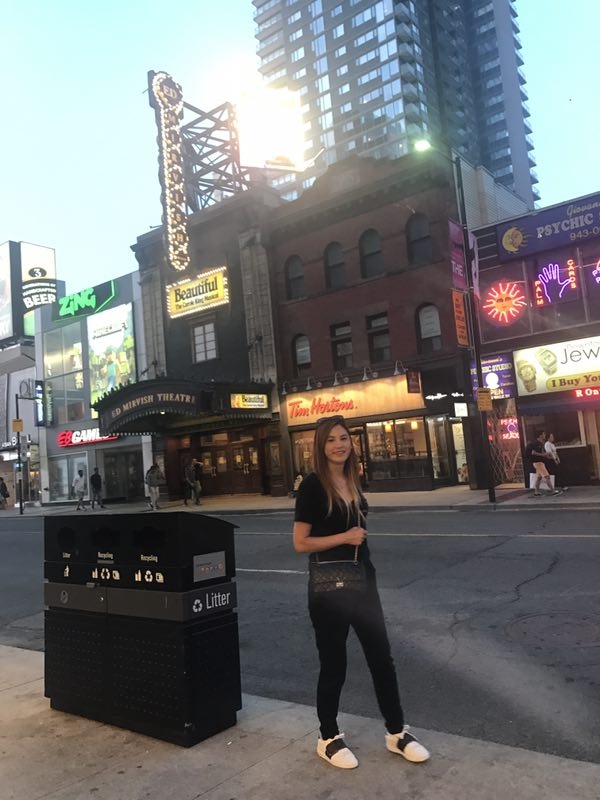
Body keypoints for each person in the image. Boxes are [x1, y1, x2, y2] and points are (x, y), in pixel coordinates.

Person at [293, 414, 430, 770]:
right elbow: (300, 542)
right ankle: (327, 738)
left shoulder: (353, 478)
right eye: (330, 440)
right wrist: (345, 537)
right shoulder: (312, 485)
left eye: (343, 438)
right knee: (334, 664)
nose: (339, 445)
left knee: (381, 658)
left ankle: (396, 732)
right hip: (329, 590)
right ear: (320, 446)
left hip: (364, 583)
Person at [524, 432, 561, 497]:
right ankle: (553, 491)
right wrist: (543, 455)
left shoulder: (541, 443)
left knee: (539, 478)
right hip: (538, 462)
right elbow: (533, 453)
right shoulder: (536, 443)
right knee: (547, 476)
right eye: (543, 434)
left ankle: (536, 492)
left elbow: (542, 454)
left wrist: (551, 457)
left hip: (539, 462)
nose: (545, 435)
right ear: (540, 435)